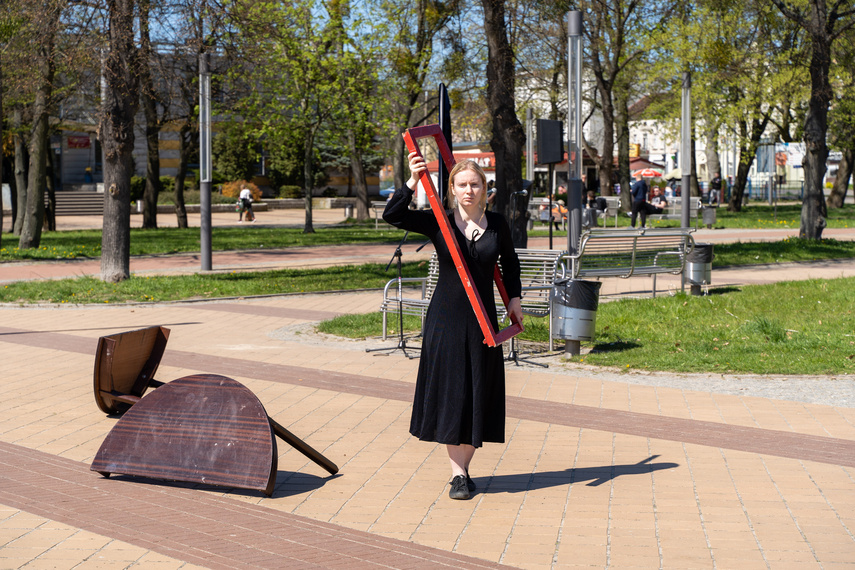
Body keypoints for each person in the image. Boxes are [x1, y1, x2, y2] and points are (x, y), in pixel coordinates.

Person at [383, 152, 522, 501]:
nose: (469, 190)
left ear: (485, 188)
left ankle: (466, 466)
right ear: (452, 189)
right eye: (462, 185)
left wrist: (514, 302)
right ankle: (458, 474)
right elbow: (393, 215)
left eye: (475, 184)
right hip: (444, 321)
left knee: (477, 391)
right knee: (452, 394)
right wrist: (413, 180)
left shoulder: (498, 224)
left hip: (483, 322)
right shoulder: (439, 221)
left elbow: (511, 265)